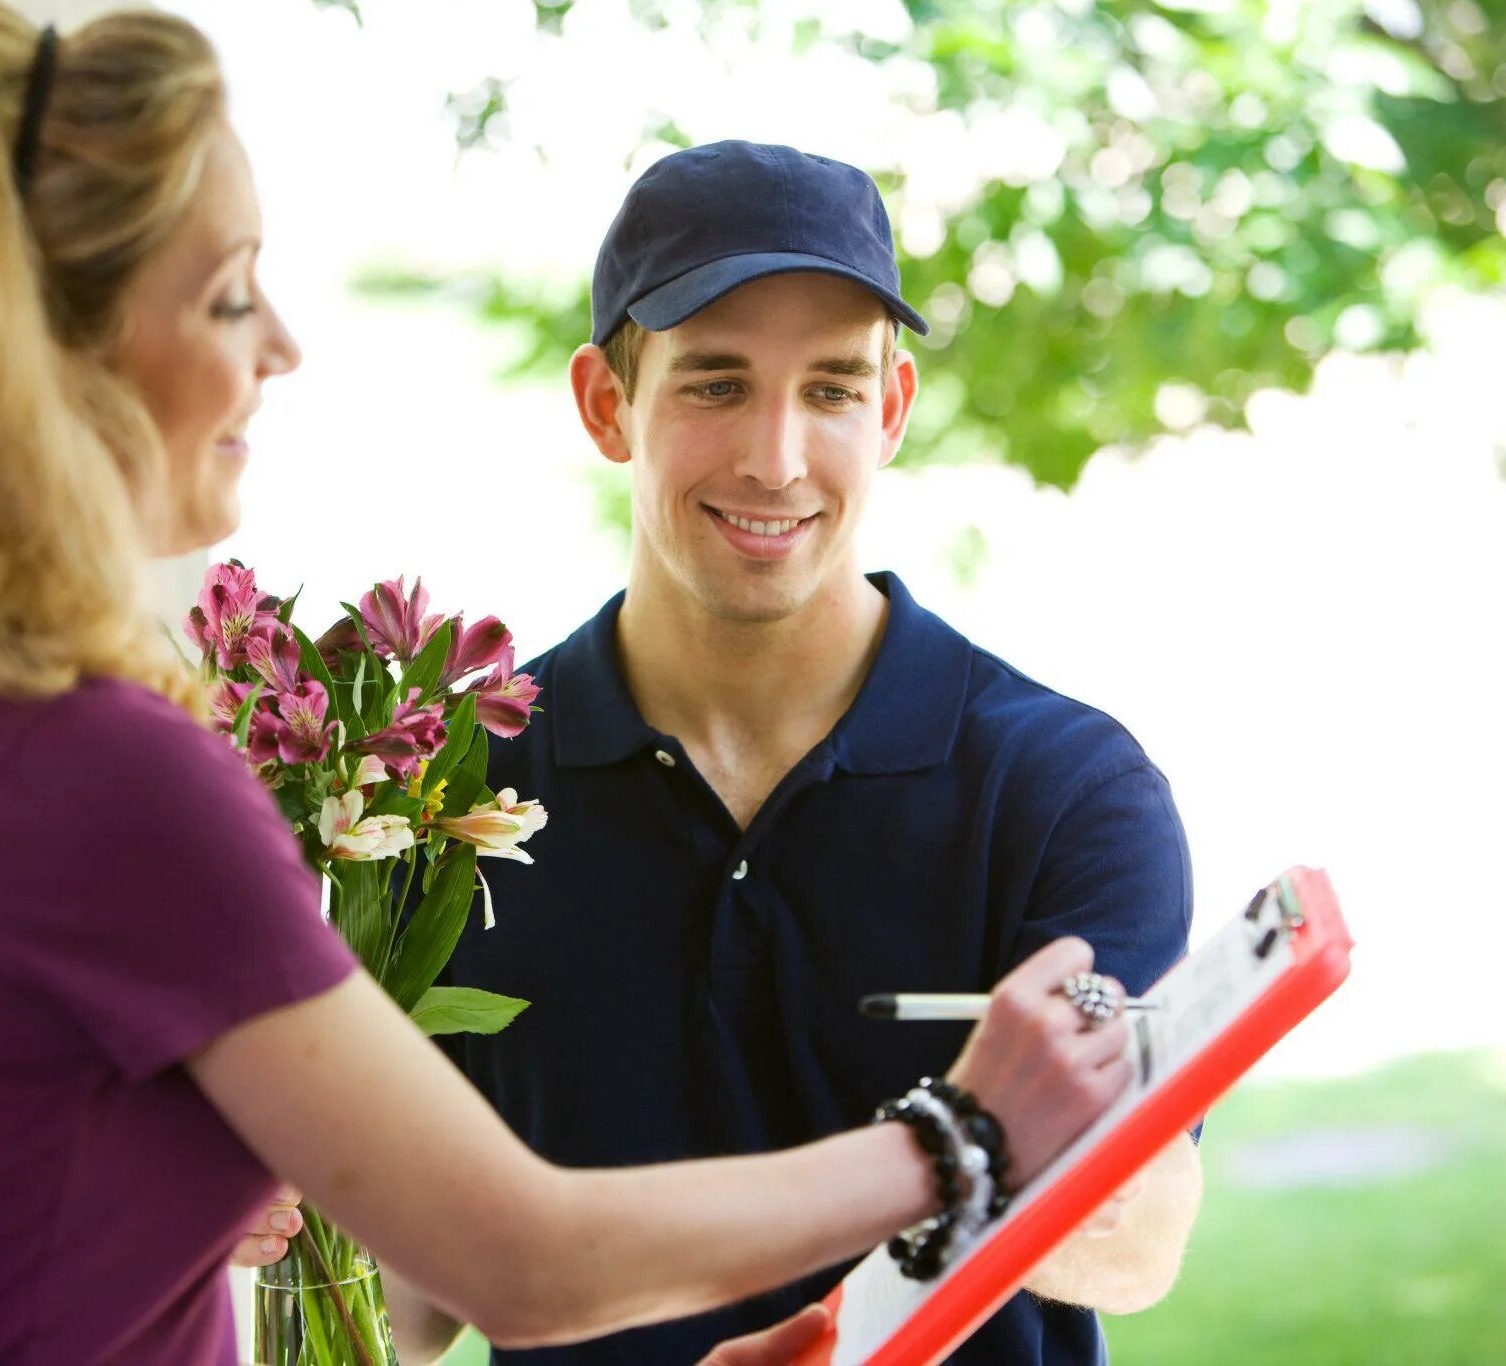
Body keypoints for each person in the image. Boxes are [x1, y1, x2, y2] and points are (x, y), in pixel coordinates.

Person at [0, 8, 1137, 1363]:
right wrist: (963, 1133)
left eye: (832, 386)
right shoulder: (94, 770)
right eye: (226, 296)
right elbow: (514, 1264)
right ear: (41, 357)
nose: (281, 346)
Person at [377, 142, 1206, 1363]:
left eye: (828, 389)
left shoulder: (1060, 787)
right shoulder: (454, 790)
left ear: (891, 409)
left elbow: (1137, 1248)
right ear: (608, 404)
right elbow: (408, 1303)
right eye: (715, 385)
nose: (775, 459)